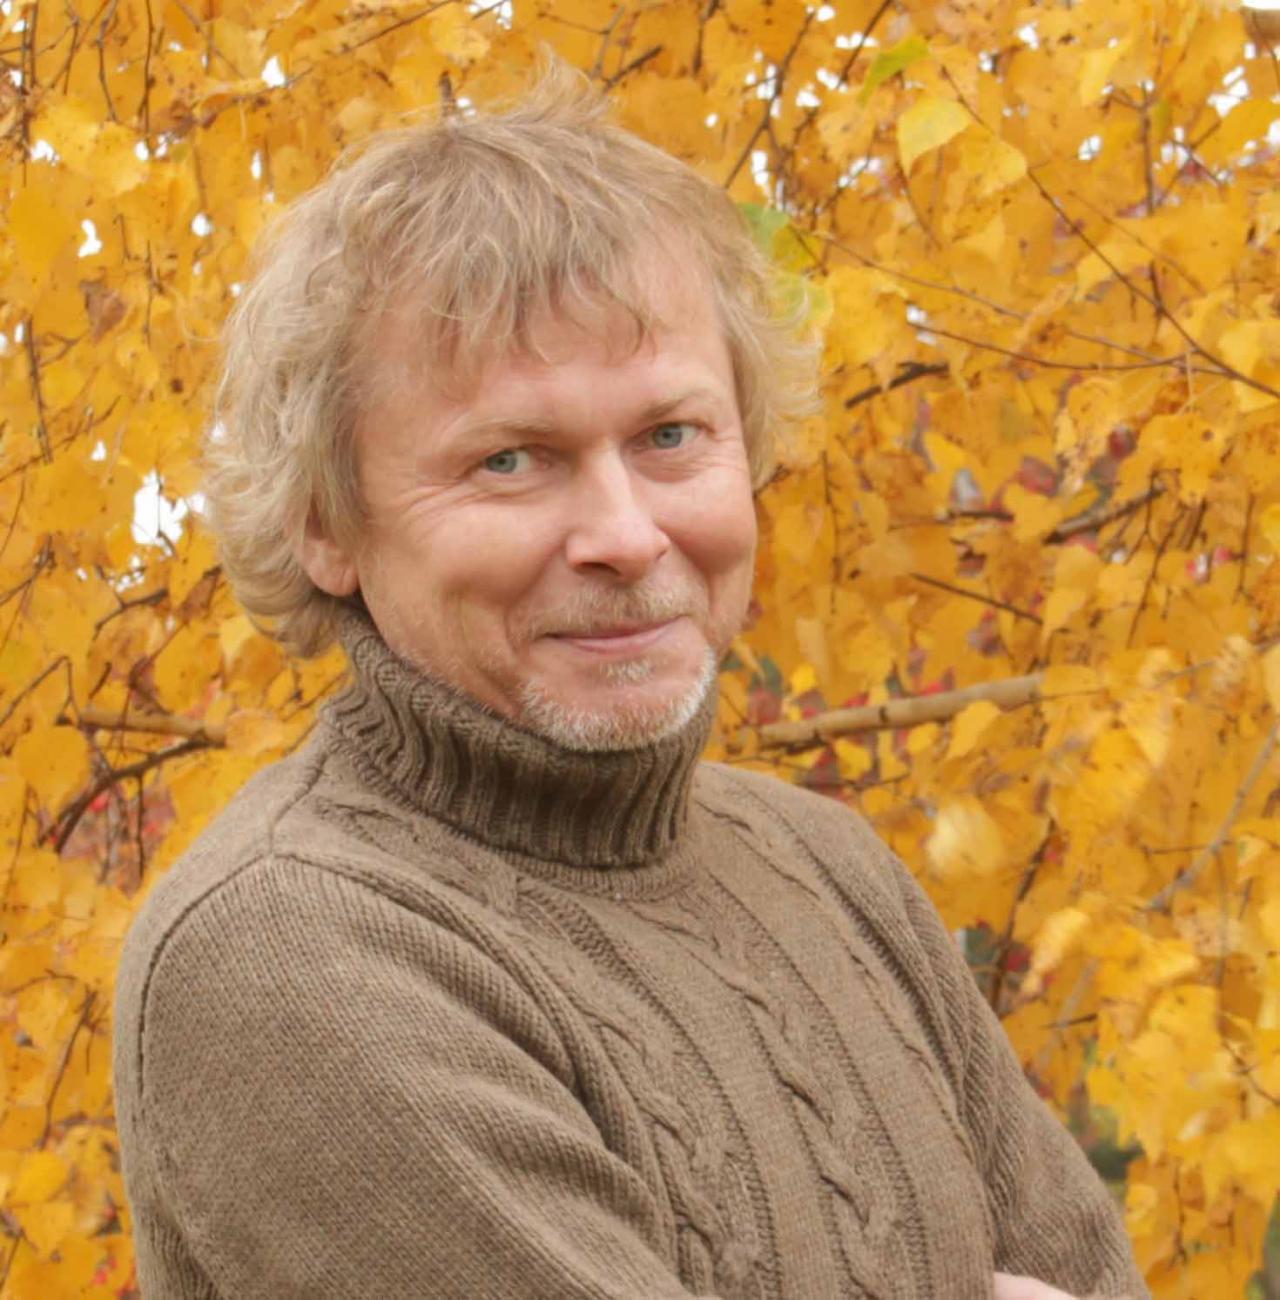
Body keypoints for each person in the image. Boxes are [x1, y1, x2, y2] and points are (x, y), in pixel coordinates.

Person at [111, 63, 1147, 1300]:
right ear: (326, 524)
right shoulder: (289, 949)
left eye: (668, 436)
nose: (625, 533)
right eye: (510, 460)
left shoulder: (825, 867)